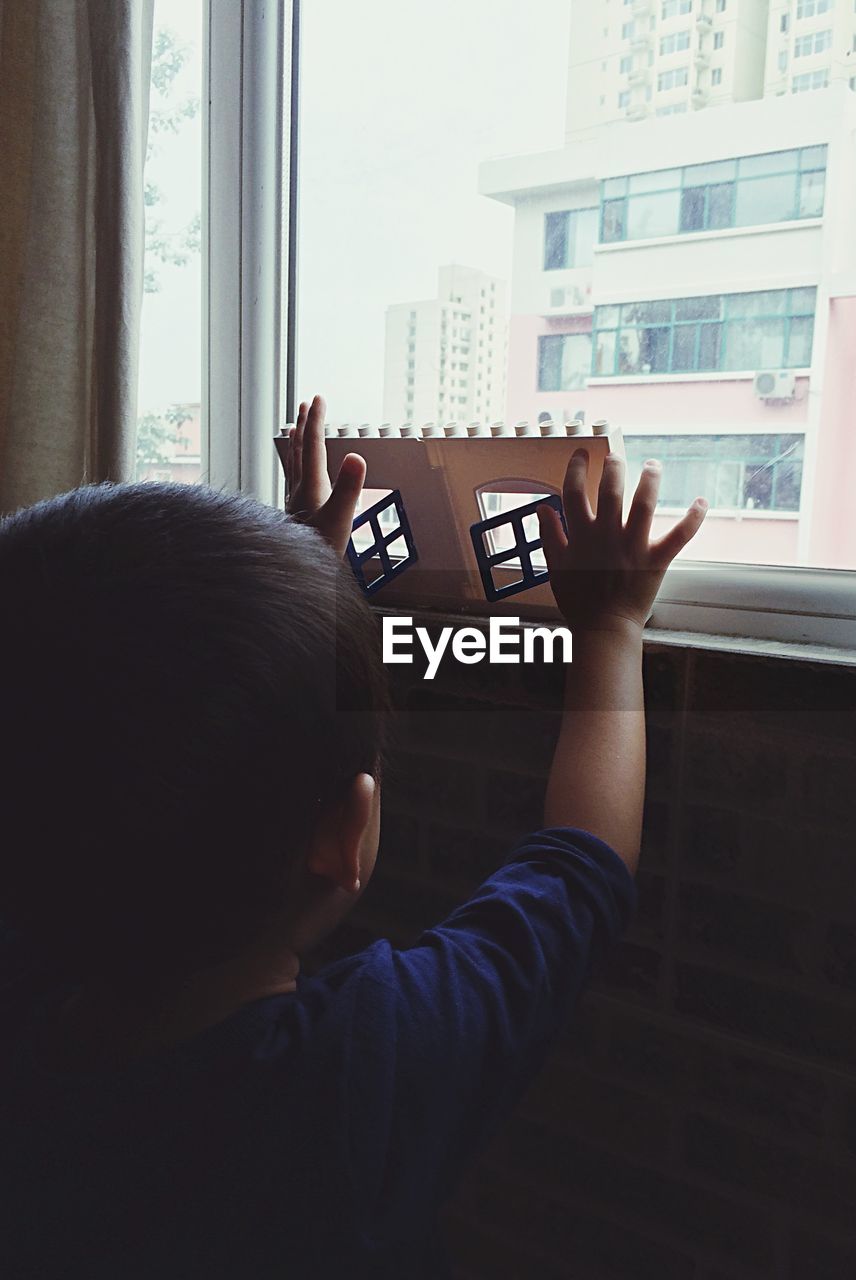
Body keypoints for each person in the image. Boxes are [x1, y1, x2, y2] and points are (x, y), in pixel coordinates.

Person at [0, 394, 707, 1278]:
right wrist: (609, 627)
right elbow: (582, 868)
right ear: (345, 833)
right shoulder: (363, 1069)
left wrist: (298, 594)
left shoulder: (24, 992)